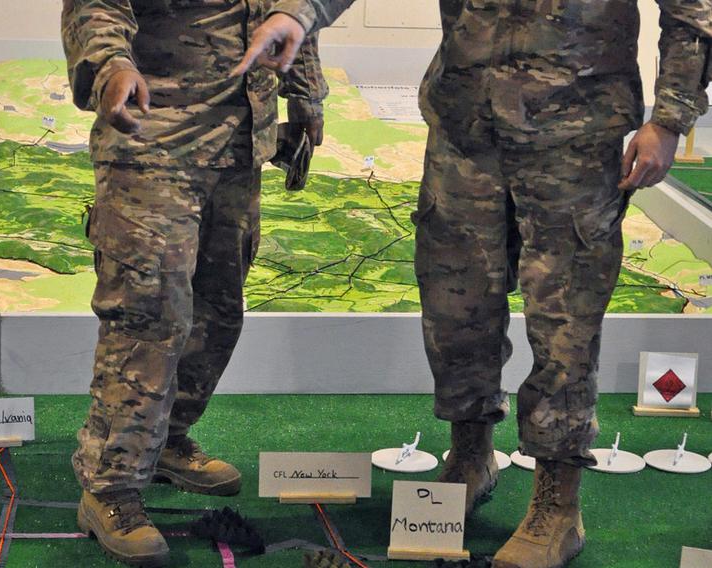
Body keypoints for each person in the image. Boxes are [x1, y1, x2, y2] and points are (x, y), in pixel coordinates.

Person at [242, 2, 711, 567]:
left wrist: (669, 118)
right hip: (465, 129)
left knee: (564, 323)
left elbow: (692, 10)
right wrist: (299, 14)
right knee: (454, 306)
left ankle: (556, 505)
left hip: (575, 134)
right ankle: (471, 457)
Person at [61, 1, 341, 566]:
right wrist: (111, 66)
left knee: (218, 311)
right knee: (148, 318)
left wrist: (306, 92)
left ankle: (166, 441)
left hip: (241, 142)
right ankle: (110, 486)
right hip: (154, 137)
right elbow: (95, 7)